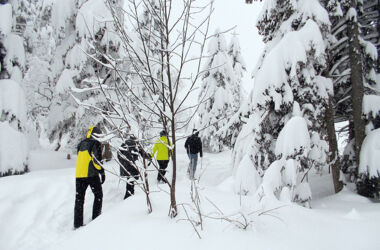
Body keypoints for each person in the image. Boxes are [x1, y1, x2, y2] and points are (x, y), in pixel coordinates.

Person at [74, 126, 105, 229]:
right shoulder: (95, 143)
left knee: (79, 199)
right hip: (91, 174)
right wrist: (102, 172)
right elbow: (96, 161)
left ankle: (77, 223)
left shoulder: (81, 143)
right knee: (98, 195)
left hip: (79, 175)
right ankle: (96, 219)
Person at [118, 135, 150, 199]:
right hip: (131, 165)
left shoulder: (123, 144)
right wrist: (149, 156)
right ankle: (129, 196)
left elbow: (118, 154)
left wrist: (123, 162)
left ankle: (130, 194)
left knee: (130, 180)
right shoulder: (136, 145)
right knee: (131, 180)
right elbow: (143, 154)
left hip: (124, 165)